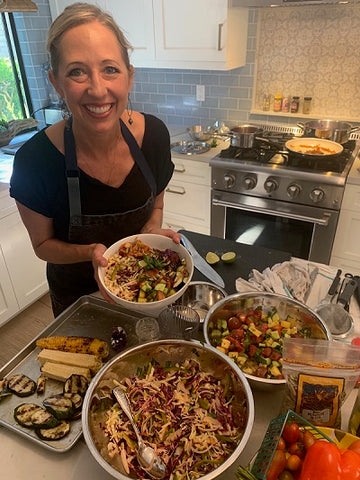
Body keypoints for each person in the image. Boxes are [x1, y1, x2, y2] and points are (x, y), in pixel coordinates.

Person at [10, 2, 180, 317]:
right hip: (79, 306)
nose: (98, 89)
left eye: (110, 69)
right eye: (77, 71)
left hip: (144, 294)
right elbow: (42, 245)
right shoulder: (34, 162)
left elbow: (155, 206)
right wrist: (90, 252)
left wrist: (150, 233)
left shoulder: (154, 136)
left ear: (129, 77)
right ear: (56, 82)